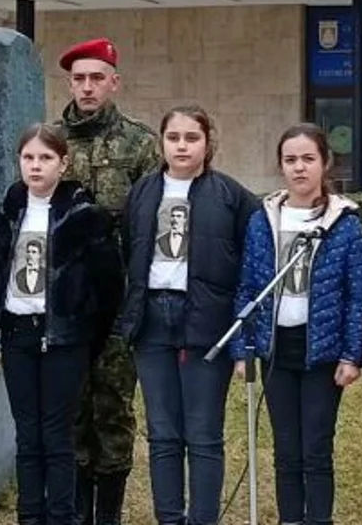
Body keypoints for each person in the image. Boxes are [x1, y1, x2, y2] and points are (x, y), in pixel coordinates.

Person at [119, 106, 260, 525]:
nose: (182, 145)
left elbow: (251, 265)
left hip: (206, 321)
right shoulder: (143, 192)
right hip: (152, 319)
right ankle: (169, 518)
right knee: (162, 433)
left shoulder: (232, 196)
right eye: (174, 137)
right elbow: (130, 249)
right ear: (161, 143)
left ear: (207, 144)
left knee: (202, 434)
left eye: (191, 137)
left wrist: (241, 333)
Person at [0, 124, 123, 525]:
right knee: (27, 436)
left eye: (45, 158)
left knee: (57, 436)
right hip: (17, 335)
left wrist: (84, 330)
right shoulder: (4, 215)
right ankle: (30, 516)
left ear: (63, 163)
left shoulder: (85, 216)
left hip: (65, 337)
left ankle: (61, 516)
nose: (36, 166)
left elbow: (108, 284)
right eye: (28, 158)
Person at [235, 123, 362, 525]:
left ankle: (319, 519)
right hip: (276, 347)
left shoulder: (344, 224)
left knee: (315, 448)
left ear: (325, 163)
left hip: (323, 350)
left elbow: (356, 295)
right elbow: (246, 285)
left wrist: (352, 353)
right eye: (290, 160)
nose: (299, 168)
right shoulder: (264, 219)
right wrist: (243, 347)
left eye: (308, 159)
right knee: (285, 449)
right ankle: (290, 518)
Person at [55, 37, 160, 525]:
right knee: (72, 403)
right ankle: (76, 510)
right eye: (79, 78)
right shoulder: (51, 143)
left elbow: (149, 227)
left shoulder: (139, 144)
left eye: (97, 78)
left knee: (114, 406)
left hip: (117, 301)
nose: (88, 87)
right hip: (65, 302)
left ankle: (109, 514)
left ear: (114, 82)